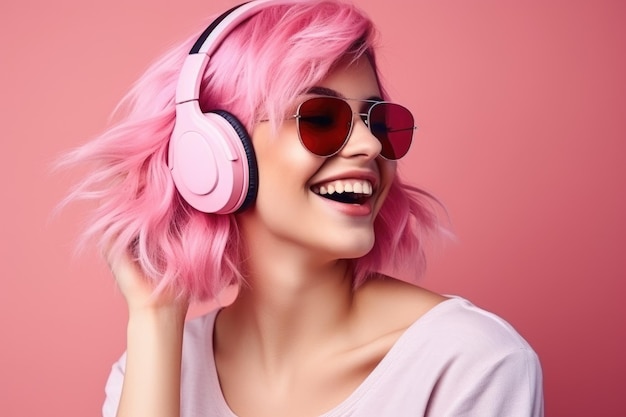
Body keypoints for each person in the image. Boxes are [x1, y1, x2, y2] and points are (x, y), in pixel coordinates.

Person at [63, 0, 544, 416]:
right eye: (320, 117)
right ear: (208, 155)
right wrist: (153, 318)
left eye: (379, 122)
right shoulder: (152, 367)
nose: (368, 146)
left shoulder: (469, 363)